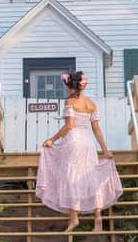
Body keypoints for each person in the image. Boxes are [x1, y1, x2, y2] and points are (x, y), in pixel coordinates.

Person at [34, 70, 123, 232]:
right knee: (90, 176)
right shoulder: (91, 104)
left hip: (74, 141)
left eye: (67, 87)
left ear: (72, 87)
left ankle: (74, 218)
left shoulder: (70, 102)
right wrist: (105, 151)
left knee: (71, 177)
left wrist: (52, 140)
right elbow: (97, 130)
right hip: (88, 142)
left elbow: (69, 126)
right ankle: (97, 217)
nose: (66, 90)